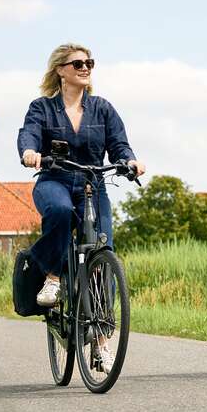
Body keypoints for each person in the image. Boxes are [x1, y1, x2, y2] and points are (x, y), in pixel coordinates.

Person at [17, 44, 146, 368]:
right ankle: (53, 276)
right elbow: (29, 134)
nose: (85, 68)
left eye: (89, 63)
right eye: (78, 63)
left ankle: (101, 343)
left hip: (93, 184)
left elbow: (119, 144)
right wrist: (30, 152)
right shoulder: (42, 108)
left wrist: (128, 161)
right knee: (59, 213)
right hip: (55, 181)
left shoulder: (102, 108)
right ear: (61, 70)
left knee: (104, 256)